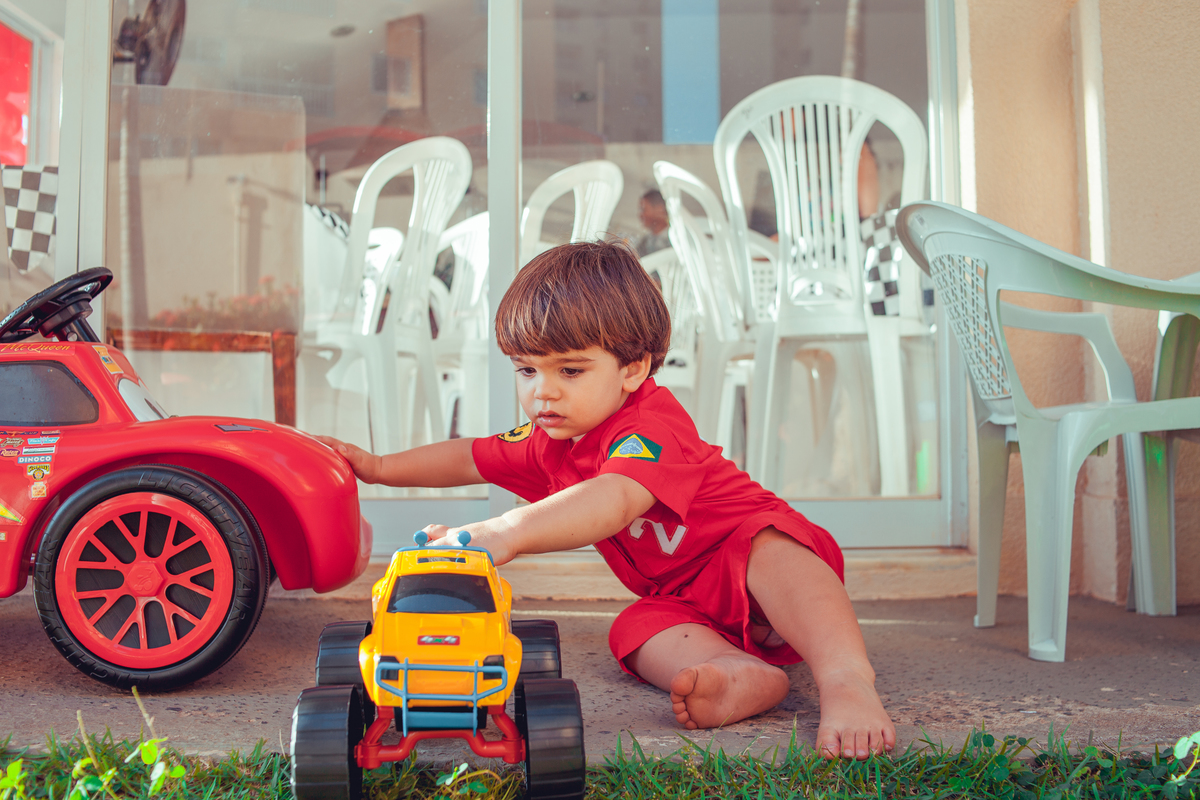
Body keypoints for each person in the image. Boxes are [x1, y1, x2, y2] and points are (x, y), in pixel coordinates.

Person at [316, 240, 895, 759]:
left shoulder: (650, 425)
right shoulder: (550, 438)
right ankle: (737, 671)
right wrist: (379, 468)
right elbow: (469, 455)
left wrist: (505, 531)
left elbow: (614, 498)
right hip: (684, 600)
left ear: (632, 368)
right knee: (635, 629)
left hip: (758, 569)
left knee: (770, 547)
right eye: (526, 370)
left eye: (570, 370)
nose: (543, 392)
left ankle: (845, 679)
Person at [633, 189, 671, 257]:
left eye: (643, 209)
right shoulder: (644, 242)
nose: (640, 215)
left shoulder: (675, 240)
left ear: (660, 209)